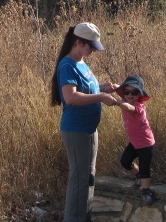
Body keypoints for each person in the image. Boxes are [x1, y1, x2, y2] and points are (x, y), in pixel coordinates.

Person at [51, 22, 121, 222]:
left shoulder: (81, 62)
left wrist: (102, 87)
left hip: (89, 129)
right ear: (79, 42)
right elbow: (71, 97)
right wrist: (100, 97)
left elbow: (85, 88)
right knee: (79, 180)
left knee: (88, 177)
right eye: (90, 46)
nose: (92, 51)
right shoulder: (67, 65)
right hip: (76, 130)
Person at [115, 74, 157, 205]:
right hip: (134, 142)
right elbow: (118, 89)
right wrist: (112, 87)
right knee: (125, 161)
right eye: (126, 92)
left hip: (145, 143)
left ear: (139, 94)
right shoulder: (126, 99)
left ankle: (146, 190)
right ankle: (138, 176)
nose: (129, 95)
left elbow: (129, 107)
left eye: (134, 92)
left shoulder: (138, 107)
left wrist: (116, 101)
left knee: (145, 167)